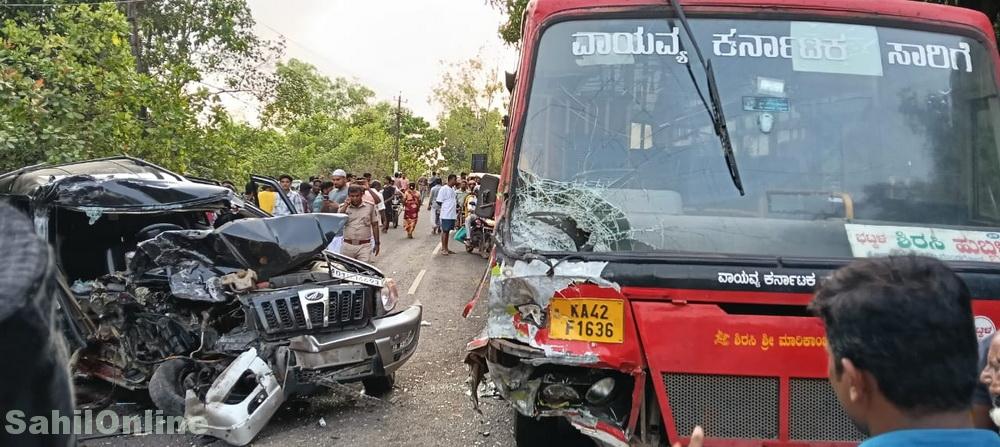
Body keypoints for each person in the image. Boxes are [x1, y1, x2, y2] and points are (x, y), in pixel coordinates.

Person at [338, 184, 380, 262]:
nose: (355, 198)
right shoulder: (343, 207)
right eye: (352, 196)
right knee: (346, 267)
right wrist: (345, 206)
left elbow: (375, 225)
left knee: (363, 268)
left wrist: (377, 243)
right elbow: (338, 222)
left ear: (362, 194)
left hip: (364, 246)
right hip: (347, 245)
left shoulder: (370, 206)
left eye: (357, 196)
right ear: (348, 196)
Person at [437, 174, 458, 256]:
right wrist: (446, 207)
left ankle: (446, 248)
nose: (455, 181)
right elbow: (439, 201)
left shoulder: (452, 189)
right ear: (450, 180)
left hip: (451, 214)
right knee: (445, 231)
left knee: (448, 231)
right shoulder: (444, 189)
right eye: (454, 180)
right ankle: (443, 248)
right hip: (446, 214)